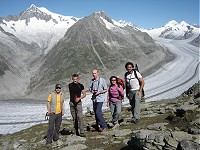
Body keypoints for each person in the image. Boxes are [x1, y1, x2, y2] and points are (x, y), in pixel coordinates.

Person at [46, 84, 65, 148]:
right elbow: (48, 102)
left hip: (59, 113)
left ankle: (56, 138)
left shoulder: (62, 95)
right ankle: (48, 141)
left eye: (59, 88)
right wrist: (48, 110)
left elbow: (62, 103)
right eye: (57, 88)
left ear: (60, 89)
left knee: (57, 127)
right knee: (51, 128)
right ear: (55, 88)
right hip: (52, 113)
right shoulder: (51, 94)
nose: (58, 89)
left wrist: (63, 110)